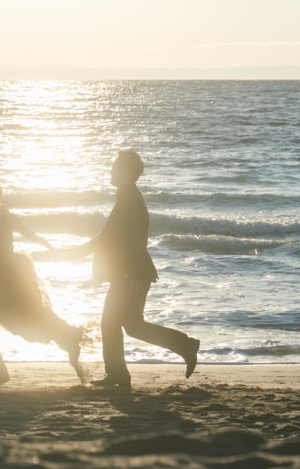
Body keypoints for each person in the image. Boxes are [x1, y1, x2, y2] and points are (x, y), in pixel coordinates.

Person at [65, 150, 199, 390]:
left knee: (112, 323)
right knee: (131, 325)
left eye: (115, 167)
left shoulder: (129, 199)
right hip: (129, 271)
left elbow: (124, 239)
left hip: (130, 273)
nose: (111, 171)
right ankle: (180, 347)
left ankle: (120, 373)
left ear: (125, 172)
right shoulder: (128, 197)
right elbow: (117, 237)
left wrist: (131, 274)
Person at [0, 178, 85, 385]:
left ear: (0, 196)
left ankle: (0, 366)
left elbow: (31, 235)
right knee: (2, 320)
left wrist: (54, 249)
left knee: (11, 318)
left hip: (6, 279)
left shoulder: (8, 218)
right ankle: (66, 338)